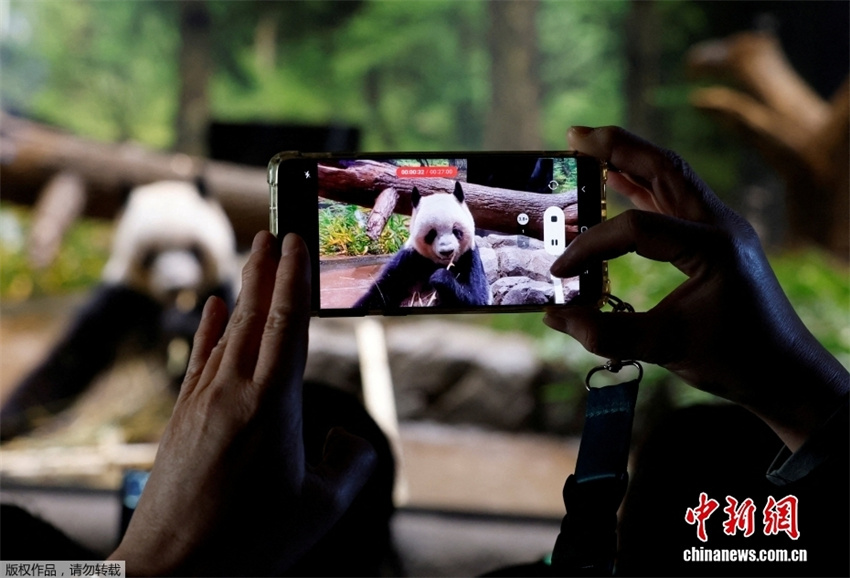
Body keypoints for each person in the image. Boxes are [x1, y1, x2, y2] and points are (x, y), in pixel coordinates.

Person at [109, 126, 847, 575]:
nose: (449, 246)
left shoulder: (458, 244)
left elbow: (455, 280)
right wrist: (805, 390)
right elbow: (388, 289)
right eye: (436, 239)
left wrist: (142, 565)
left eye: (453, 237)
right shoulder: (427, 240)